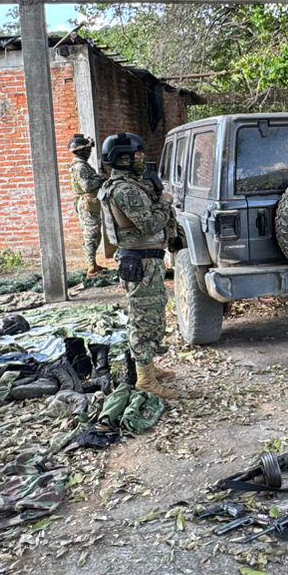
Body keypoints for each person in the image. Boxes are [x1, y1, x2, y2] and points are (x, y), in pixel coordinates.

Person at [96, 132, 174, 396]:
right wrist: (165, 204)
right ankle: (145, 379)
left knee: (150, 314)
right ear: (123, 159)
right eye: (137, 154)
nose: (142, 158)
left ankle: (149, 368)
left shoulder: (127, 185)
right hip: (140, 261)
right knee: (143, 320)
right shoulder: (126, 190)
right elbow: (149, 224)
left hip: (144, 259)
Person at [67, 133, 105, 275]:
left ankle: (93, 263)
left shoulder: (82, 165)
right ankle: (91, 266)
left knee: (95, 234)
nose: (89, 152)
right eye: (87, 149)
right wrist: (100, 177)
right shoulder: (80, 166)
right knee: (91, 234)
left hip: (89, 202)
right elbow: (87, 186)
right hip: (87, 202)